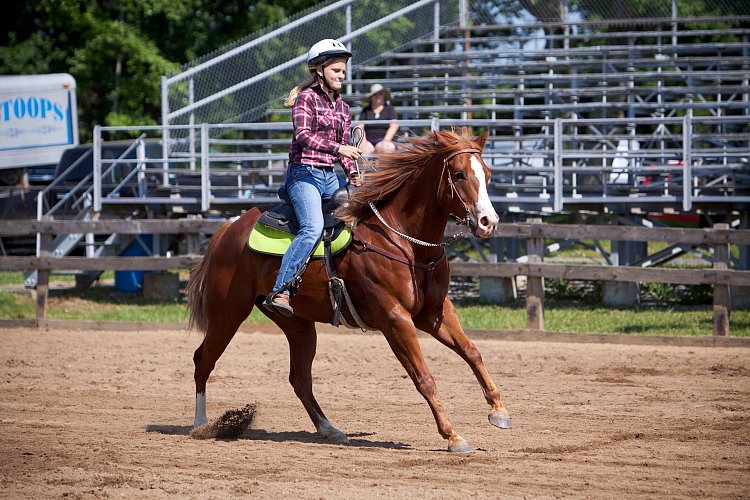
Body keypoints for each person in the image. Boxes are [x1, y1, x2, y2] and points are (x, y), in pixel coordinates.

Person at [269, 39, 363, 317]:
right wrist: (339, 148)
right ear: (319, 70)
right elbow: (304, 135)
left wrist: (354, 174)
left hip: (329, 177)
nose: (341, 76)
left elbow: (346, 149)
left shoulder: (343, 108)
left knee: (360, 222)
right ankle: (281, 289)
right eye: (336, 70)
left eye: (343, 71)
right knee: (312, 228)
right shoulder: (306, 98)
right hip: (303, 174)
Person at [358, 83, 399, 154]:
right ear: (371, 97)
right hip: (368, 140)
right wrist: (363, 141)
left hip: (386, 139)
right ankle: (367, 165)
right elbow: (360, 126)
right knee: (363, 150)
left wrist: (385, 141)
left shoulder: (389, 109)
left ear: (383, 96)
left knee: (385, 148)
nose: (378, 96)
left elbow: (394, 126)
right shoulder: (366, 110)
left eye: (380, 94)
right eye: (375, 94)